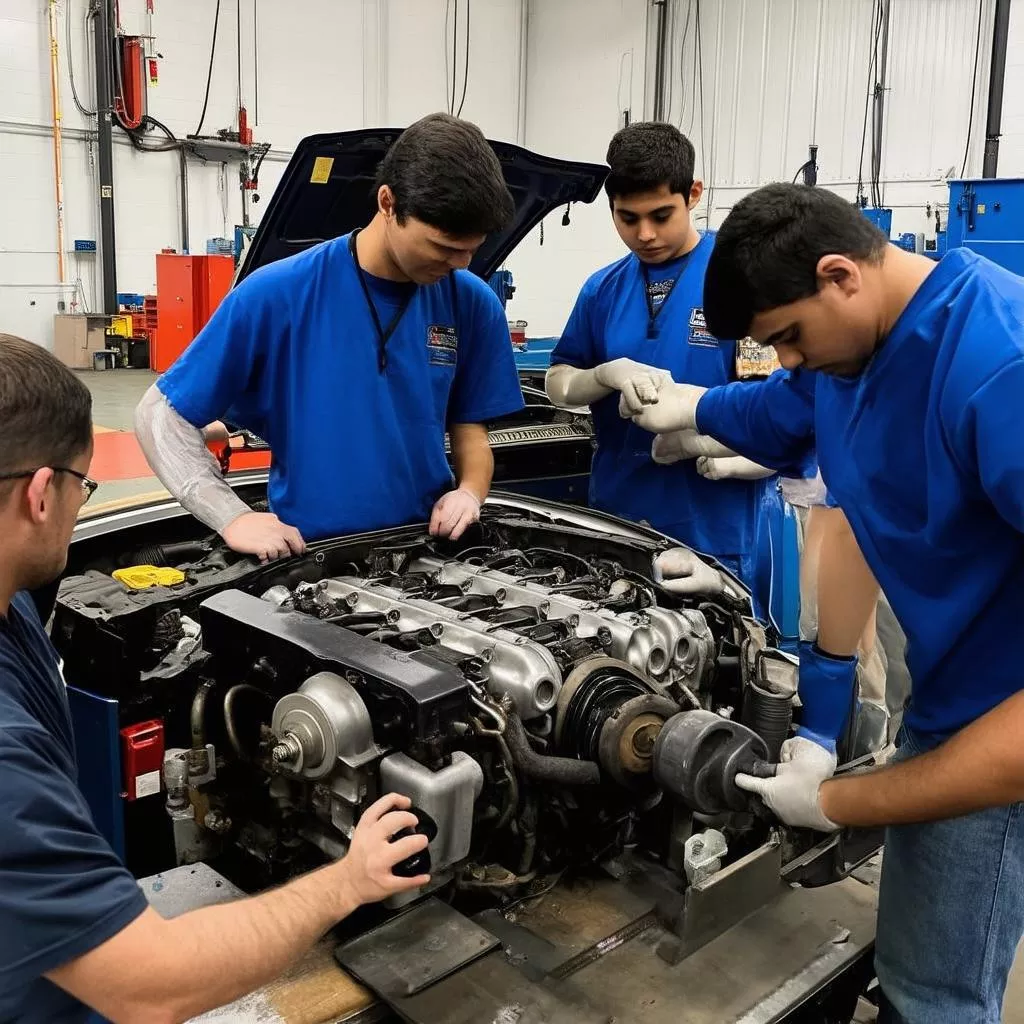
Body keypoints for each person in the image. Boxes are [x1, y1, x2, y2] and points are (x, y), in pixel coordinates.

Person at [620, 182, 1024, 1023]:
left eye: (789, 338)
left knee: (934, 994)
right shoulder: (852, 352)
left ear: (840, 274)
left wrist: (840, 801)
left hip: (999, 732)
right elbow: (797, 440)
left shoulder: (999, 366)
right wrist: (818, 720)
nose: (790, 361)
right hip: (948, 697)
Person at [0, 334, 435, 1024]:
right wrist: (348, 881)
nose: (84, 502)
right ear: (40, 495)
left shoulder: (12, 601)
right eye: (83, 485)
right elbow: (150, 986)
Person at [136, 113, 525, 563]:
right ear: (388, 203)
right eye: (444, 247)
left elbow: (470, 428)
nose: (460, 264)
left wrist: (470, 492)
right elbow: (160, 415)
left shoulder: (471, 302)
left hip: (426, 557)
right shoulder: (277, 295)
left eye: (471, 250)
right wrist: (232, 516)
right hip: (307, 561)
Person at [544, 122, 784, 597]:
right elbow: (558, 383)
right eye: (627, 218)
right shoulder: (602, 289)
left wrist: (700, 442)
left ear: (693, 194)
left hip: (712, 535)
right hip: (616, 526)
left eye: (660, 215)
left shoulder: (741, 280)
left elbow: (778, 419)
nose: (645, 234)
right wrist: (606, 374)